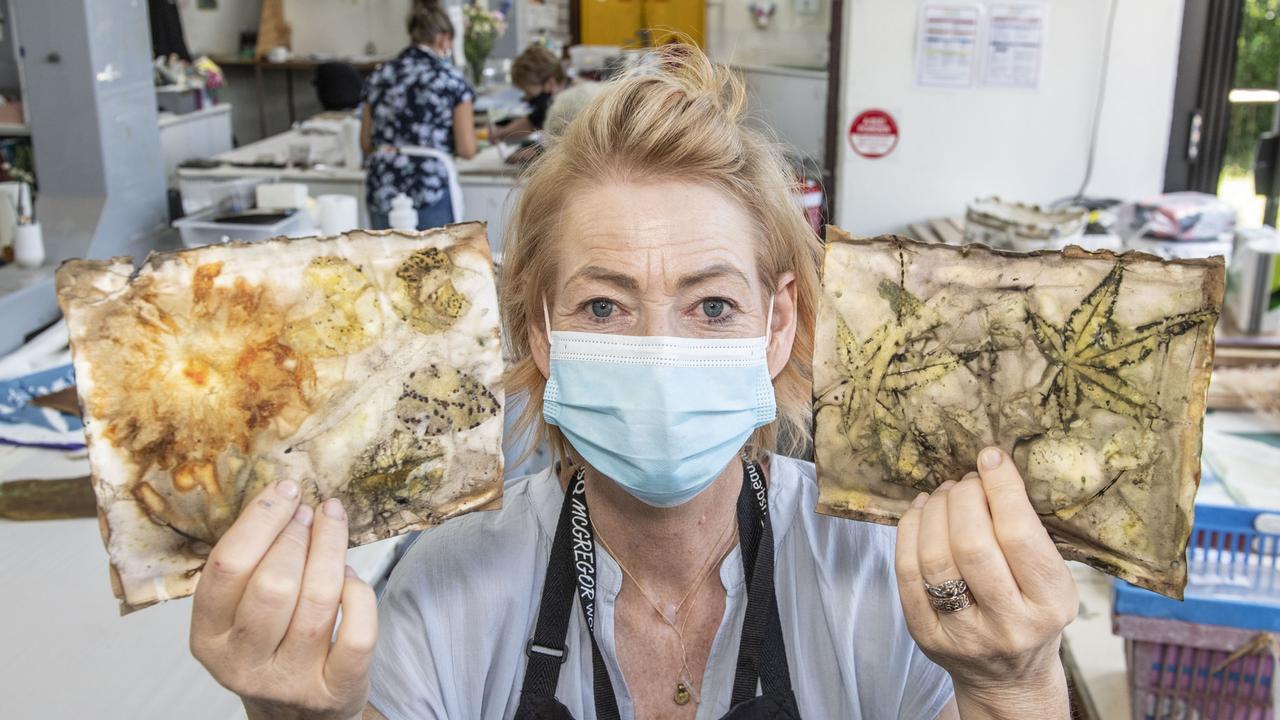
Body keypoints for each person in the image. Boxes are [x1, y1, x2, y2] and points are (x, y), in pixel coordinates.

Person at [190, 44, 1078, 720]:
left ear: (778, 324)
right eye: (606, 308)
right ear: (538, 330)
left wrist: (1015, 686)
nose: (659, 348)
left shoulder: (894, 573)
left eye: (713, 308)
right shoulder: (443, 588)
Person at [360, 1, 477, 231]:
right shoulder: (451, 80)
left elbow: (366, 143)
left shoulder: (379, 75)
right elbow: (467, 149)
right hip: (429, 187)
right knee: (434, 264)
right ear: (443, 38)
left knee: (385, 263)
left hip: (383, 184)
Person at [490, 45, 570, 144]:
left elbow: (534, 120)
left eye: (529, 93)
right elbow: (533, 119)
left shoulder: (569, 105)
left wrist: (501, 134)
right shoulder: (564, 90)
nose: (527, 98)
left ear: (550, 83)